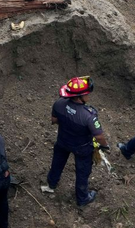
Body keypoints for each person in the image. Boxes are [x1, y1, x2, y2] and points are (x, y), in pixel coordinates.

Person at [43, 76, 109, 206]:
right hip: (82, 147)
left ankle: (52, 183)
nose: (88, 96)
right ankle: (82, 198)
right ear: (80, 97)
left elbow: (54, 120)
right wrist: (105, 146)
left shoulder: (59, 103)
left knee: (57, 162)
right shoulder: (88, 115)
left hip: (63, 141)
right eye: (87, 94)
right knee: (82, 172)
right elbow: (99, 136)